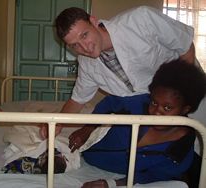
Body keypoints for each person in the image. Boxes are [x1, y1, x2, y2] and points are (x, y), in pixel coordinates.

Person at [40, 5, 196, 139]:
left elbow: (185, 46)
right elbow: (78, 100)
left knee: (196, 141)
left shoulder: (141, 19)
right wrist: (56, 123)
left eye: (84, 35)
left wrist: (181, 96)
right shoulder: (86, 63)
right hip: (141, 109)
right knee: (99, 152)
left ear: (94, 22)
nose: (85, 48)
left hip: (181, 89)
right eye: (75, 45)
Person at [77, 59, 206, 187]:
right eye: (154, 103)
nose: (156, 112)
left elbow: (152, 177)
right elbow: (110, 103)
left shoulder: (179, 150)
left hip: (107, 172)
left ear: (185, 109)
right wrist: (87, 128)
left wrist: (111, 183)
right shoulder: (140, 105)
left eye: (167, 108)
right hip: (84, 150)